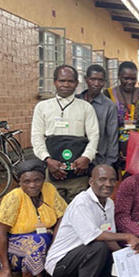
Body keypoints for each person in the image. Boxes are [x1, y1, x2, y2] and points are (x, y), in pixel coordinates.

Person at [45, 165, 139, 277]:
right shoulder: (81, 203)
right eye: (102, 179)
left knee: (108, 250)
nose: (108, 184)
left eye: (112, 180)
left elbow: (109, 235)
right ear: (91, 182)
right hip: (60, 262)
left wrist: (125, 258)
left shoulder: (109, 203)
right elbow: (95, 236)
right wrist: (129, 236)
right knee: (98, 247)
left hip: (78, 256)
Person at [0, 159, 68, 277]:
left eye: (37, 180)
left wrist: (54, 242)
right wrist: (6, 270)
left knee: (47, 239)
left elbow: (62, 216)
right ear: (19, 182)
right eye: (26, 181)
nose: (32, 185)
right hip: (11, 248)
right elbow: (0, 234)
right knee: (36, 243)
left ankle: (42, 273)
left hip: (43, 238)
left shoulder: (49, 190)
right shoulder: (14, 197)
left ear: (43, 179)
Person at [31, 65, 100, 202]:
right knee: (53, 209)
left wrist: (86, 157)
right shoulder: (42, 107)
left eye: (70, 81)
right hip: (53, 170)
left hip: (78, 171)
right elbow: (36, 136)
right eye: (62, 81)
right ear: (55, 82)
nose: (66, 85)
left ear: (76, 83)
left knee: (79, 208)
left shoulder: (86, 107)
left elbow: (94, 136)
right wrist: (47, 160)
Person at [104, 61, 139, 170]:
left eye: (133, 79)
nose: (130, 82)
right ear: (119, 77)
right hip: (114, 148)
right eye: (126, 78)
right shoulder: (108, 94)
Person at [78, 65, 119, 168]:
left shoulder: (109, 106)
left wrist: (108, 163)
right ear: (86, 79)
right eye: (92, 79)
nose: (96, 83)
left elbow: (112, 136)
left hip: (98, 160)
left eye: (100, 80)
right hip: (76, 159)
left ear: (104, 82)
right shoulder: (76, 101)